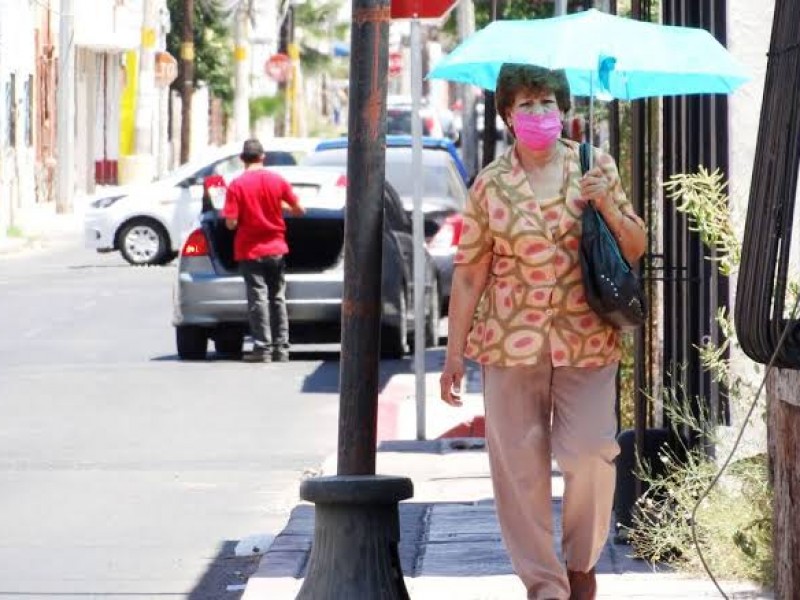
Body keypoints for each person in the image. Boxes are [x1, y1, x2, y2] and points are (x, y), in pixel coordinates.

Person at [439, 64, 646, 600]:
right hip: (509, 343)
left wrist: (605, 204)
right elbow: (468, 273)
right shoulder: (490, 183)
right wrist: (454, 352)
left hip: (587, 339)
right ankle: (545, 585)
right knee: (519, 472)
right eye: (527, 105)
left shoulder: (593, 165)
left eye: (548, 102)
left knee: (591, 452)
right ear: (508, 115)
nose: (539, 113)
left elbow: (636, 246)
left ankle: (581, 562)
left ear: (564, 109)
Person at [221, 139, 306, 363]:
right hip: (276, 248)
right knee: (277, 297)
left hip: (250, 250)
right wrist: (278, 207)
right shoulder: (277, 180)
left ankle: (262, 348)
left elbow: (230, 222)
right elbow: (299, 209)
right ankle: (282, 348)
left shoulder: (236, 185)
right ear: (262, 157)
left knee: (258, 298)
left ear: (242, 159)